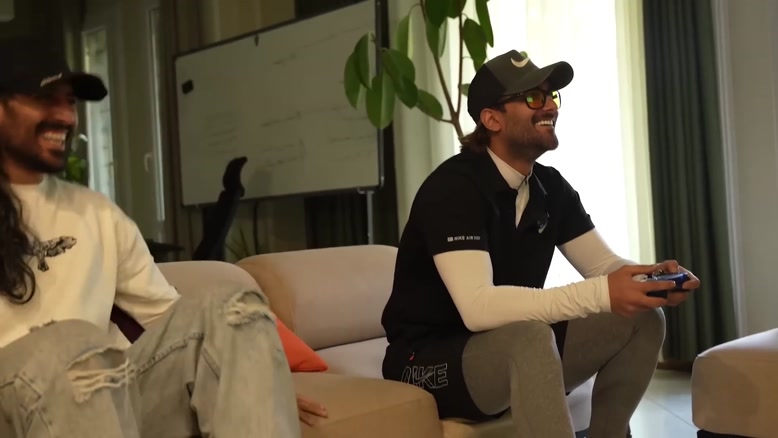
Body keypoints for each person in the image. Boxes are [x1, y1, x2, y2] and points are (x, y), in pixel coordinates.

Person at [0, 37, 326, 437]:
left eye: (69, 102)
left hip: (104, 397)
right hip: (13, 404)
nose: (66, 117)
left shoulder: (96, 212)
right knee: (70, 341)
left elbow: (173, 324)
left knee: (231, 310)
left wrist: (251, 384)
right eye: (45, 99)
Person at [380, 49, 701, 438]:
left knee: (643, 318)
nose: (550, 106)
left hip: (506, 346)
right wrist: (601, 293)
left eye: (551, 96)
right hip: (427, 361)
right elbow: (478, 308)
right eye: (533, 97)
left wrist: (648, 280)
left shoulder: (550, 187)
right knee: (530, 337)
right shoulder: (453, 188)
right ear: (492, 119)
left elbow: (603, 266)